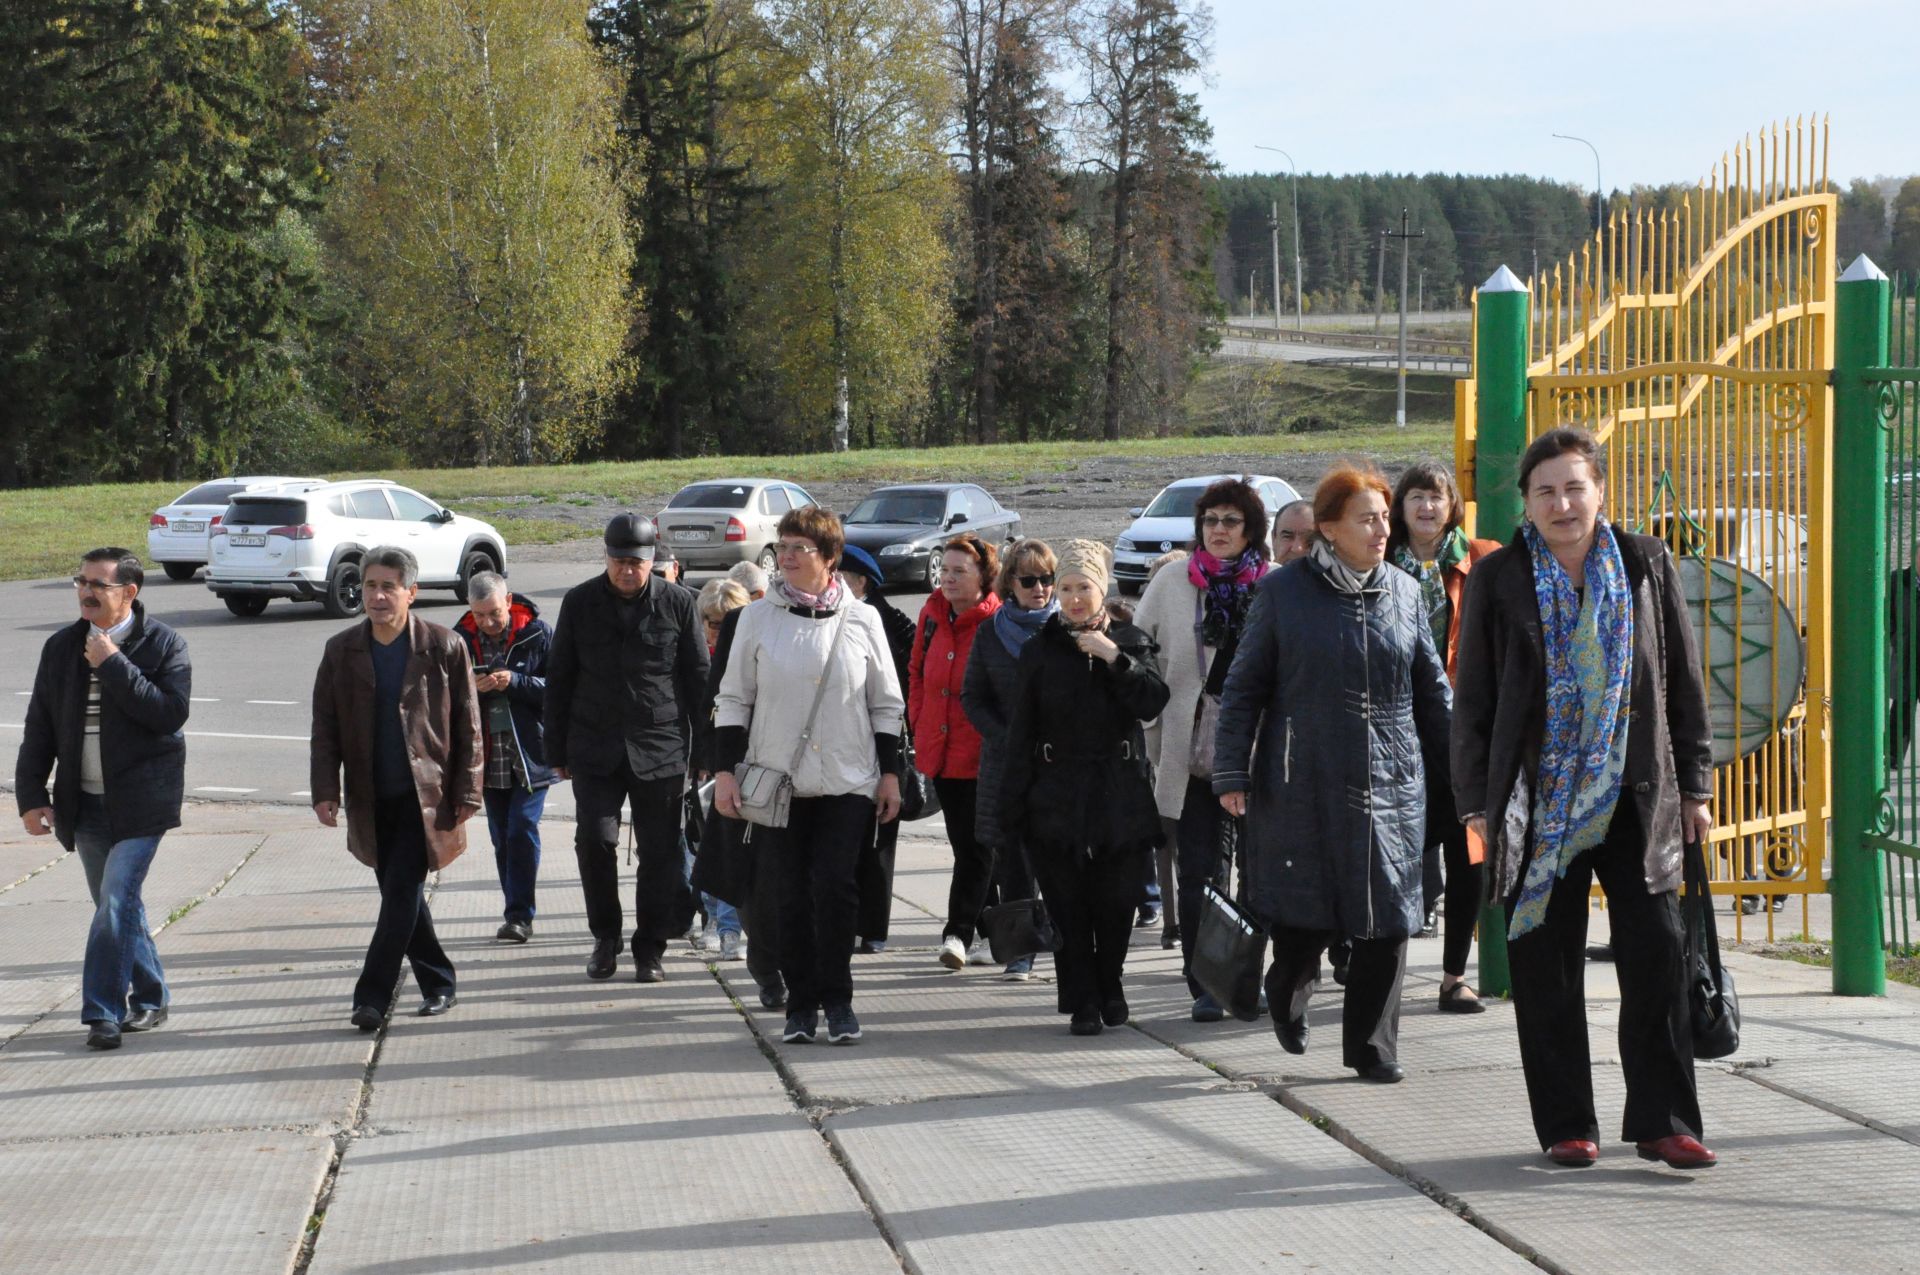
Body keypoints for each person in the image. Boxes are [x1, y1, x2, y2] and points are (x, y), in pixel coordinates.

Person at [1452, 427, 1718, 1170]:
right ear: (1527, 502)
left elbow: (1681, 684)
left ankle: (1665, 1120)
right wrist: (1475, 799)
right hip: (1536, 805)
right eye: (1546, 490)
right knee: (1545, 964)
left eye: (1575, 486)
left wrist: (1694, 785)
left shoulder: (1644, 561)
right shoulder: (1499, 578)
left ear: (1600, 490)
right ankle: (1568, 1123)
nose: (1563, 502)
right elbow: (1472, 699)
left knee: (1658, 951)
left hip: (1636, 797)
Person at [1213, 464, 1451, 1084]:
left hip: (1392, 779)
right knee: (1306, 914)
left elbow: (1432, 687)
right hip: (1303, 779)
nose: (1381, 530)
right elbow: (1242, 690)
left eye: (1383, 517)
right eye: (1366, 519)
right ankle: (1288, 983)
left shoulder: (1403, 589)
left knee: (1391, 913)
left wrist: (1465, 763)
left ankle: (1374, 1048)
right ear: (1328, 529)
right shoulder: (1283, 594)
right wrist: (1231, 771)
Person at [713, 506, 905, 1046]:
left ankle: (838, 1000)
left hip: (848, 780)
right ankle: (801, 1004)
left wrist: (890, 775)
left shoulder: (864, 619)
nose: (788, 558)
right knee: (789, 894)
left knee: (837, 890)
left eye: (801, 549)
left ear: (832, 559)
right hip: (779, 785)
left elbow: (886, 706)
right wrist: (726, 774)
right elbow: (731, 701)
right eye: (784, 547)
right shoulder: (755, 618)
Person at [16, 548, 190, 1051]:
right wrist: (32, 795)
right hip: (83, 803)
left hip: (141, 804)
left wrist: (114, 665)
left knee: (115, 899)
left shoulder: (164, 644)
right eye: (81, 581)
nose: (86, 592)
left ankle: (103, 1013)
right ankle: (152, 996)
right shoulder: (61, 647)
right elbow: (40, 726)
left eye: (100, 584)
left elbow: (168, 715)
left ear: (129, 593)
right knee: (117, 905)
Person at [1001, 540, 1170, 1036]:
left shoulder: (1130, 640)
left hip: (1118, 794)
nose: (1074, 598)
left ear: (1103, 590)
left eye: (1085, 588)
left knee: (1116, 904)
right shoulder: (1040, 650)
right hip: (1055, 795)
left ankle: (1110, 984)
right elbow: (1020, 733)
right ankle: (1082, 1000)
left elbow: (1153, 701)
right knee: (1068, 906)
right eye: (1067, 587)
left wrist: (1115, 658)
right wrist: (1008, 810)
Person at [311, 546, 482, 1031]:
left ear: (412, 592)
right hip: (370, 797)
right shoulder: (341, 650)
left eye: (389, 586)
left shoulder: (444, 646)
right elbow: (325, 727)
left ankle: (371, 996)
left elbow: (469, 726)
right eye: (370, 586)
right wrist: (326, 789)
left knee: (401, 892)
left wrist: (468, 790)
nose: (378, 596)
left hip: (424, 798)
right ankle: (439, 981)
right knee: (401, 896)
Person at [545, 514, 707, 983]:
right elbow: (560, 679)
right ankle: (605, 936)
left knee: (660, 853)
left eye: (635, 562)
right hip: (594, 747)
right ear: (607, 558)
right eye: (618, 561)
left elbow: (698, 681)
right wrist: (555, 749)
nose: (627, 571)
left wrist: (704, 755)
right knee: (595, 841)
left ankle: (649, 947)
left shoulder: (678, 603)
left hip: (661, 748)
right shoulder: (579, 603)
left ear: (651, 560)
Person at [1136, 478, 1273, 1023]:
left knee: (1258, 877)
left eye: (1230, 521)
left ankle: (1248, 977)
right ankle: (1204, 981)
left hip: (1260, 756)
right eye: (1210, 521)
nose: (1218, 530)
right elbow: (1138, 656)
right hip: (1190, 754)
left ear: (1251, 530)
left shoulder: (1277, 586)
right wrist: (1153, 718)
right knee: (1199, 873)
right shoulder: (1172, 580)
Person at [1386, 462, 1501, 1011]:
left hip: (1465, 733)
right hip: (1394, 732)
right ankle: (1372, 965)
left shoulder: (1483, 559)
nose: (1426, 507)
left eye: (1436, 497)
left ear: (1452, 504)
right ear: (1399, 506)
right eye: (1415, 497)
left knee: (1467, 856)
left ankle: (1455, 975)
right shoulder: (1380, 561)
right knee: (1391, 854)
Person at [961, 539, 1057, 981]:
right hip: (1008, 764)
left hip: (1060, 765)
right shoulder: (991, 631)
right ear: (1011, 583)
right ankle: (1021, 951)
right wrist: (1007, 736)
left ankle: (1062, 940)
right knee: (1013, 860)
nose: (1041, 589)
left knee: (1058, 858)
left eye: (1047, 579)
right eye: (1030, 580)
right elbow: (973, 697)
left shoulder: (1067, 628)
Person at [909, 534, 1006, 971]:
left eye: (959, 571)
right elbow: (915, 673)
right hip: (940, 751)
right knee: (966, 844)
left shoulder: (997, 622)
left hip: (983, 754)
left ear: (984, 576)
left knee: (975, 849)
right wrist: (919, 719)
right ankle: (994, 932)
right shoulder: (930, 615)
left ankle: (957, 933)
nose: (947, 578)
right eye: (944, 570)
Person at [453, 571, 554, 944]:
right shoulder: (459, 640)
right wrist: (473, 689)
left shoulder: (538, 633)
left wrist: (516, 682)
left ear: (509, 601)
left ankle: (519, 917)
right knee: (501, 837)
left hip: (531, 753)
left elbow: (559, 688)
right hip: (487, 755)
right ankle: (515, 910)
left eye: (494, 613)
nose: (488, 623)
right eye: (479, 615)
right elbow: (446, 699)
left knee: (521, 828)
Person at [838, 545, 916, 954]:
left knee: (880, 840)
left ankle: (874, 929)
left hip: (884, 744)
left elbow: (905, 683)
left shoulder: (885, 620)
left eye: (840, 575)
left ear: (860, 582)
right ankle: (849, 923)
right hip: (846, 744)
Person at [691, 578, 753, 959]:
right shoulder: (696, 653)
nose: (717, 629)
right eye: (711, 621)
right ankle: (712, 920)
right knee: (701, 846)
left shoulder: (748, 652)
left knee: (731, 848)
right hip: (702, 765)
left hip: (739, 763)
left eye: (724, 620)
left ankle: (729, 928)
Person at [1273, 499, 1316, 564]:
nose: (1298, 549)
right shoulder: (1260, 573)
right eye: (1287, 537)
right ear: (1274, 538)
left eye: (1308, 538)